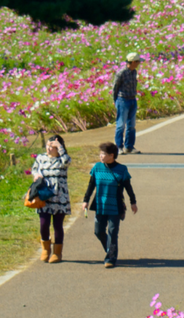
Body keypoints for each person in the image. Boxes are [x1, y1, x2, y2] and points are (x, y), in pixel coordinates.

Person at [84, 141, 137, 269]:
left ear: (111, 155)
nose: (100, 156)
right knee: (98, 231)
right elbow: (91, 185)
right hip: (100, 205)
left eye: (103, 154)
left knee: (113, 231)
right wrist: (85, 200)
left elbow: (128, 187)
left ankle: (111, 258)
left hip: (115, 206)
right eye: (100, 154)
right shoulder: (97, 167)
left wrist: (133, 202)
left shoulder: (121, 169)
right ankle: (109, 249)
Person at [28, 132, 71, 263]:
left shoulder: (62, 159)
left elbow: (67, 161)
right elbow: (34, 169)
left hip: (59, 196)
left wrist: (60, 148)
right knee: (44, 223)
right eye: (48, 145)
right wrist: (36, 175)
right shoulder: (41, 158)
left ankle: (57, 253)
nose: (49, 148)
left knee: (58, 225)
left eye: (52, 146)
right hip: (44, 195)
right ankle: (46, 249)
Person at [111, 53, 141, 154]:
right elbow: (115, 88)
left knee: (131, 125)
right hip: (122, 100)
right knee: (120, 125)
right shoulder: (121, 73)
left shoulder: (134, 72)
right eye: (137, 62)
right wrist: (116, 101)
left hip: (132, 99)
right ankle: (118, 146)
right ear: (133, 62)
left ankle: (129, 146)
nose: (139, 64)